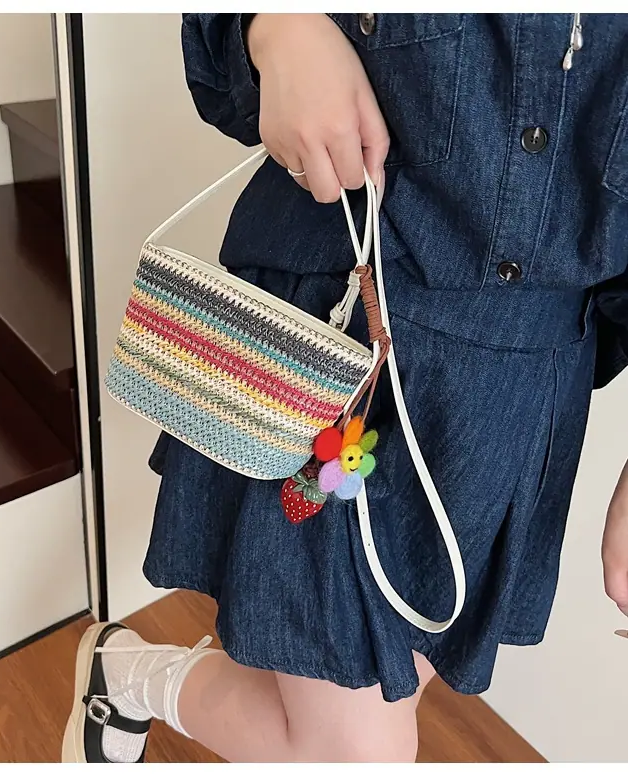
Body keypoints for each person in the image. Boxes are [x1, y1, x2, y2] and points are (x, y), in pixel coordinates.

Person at [63, 13, 628, 763]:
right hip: (332, 341)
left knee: (389, 677)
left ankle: (123, 673)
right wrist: (276, 26)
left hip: (520, 388)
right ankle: (127, 675)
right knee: (353, 751)